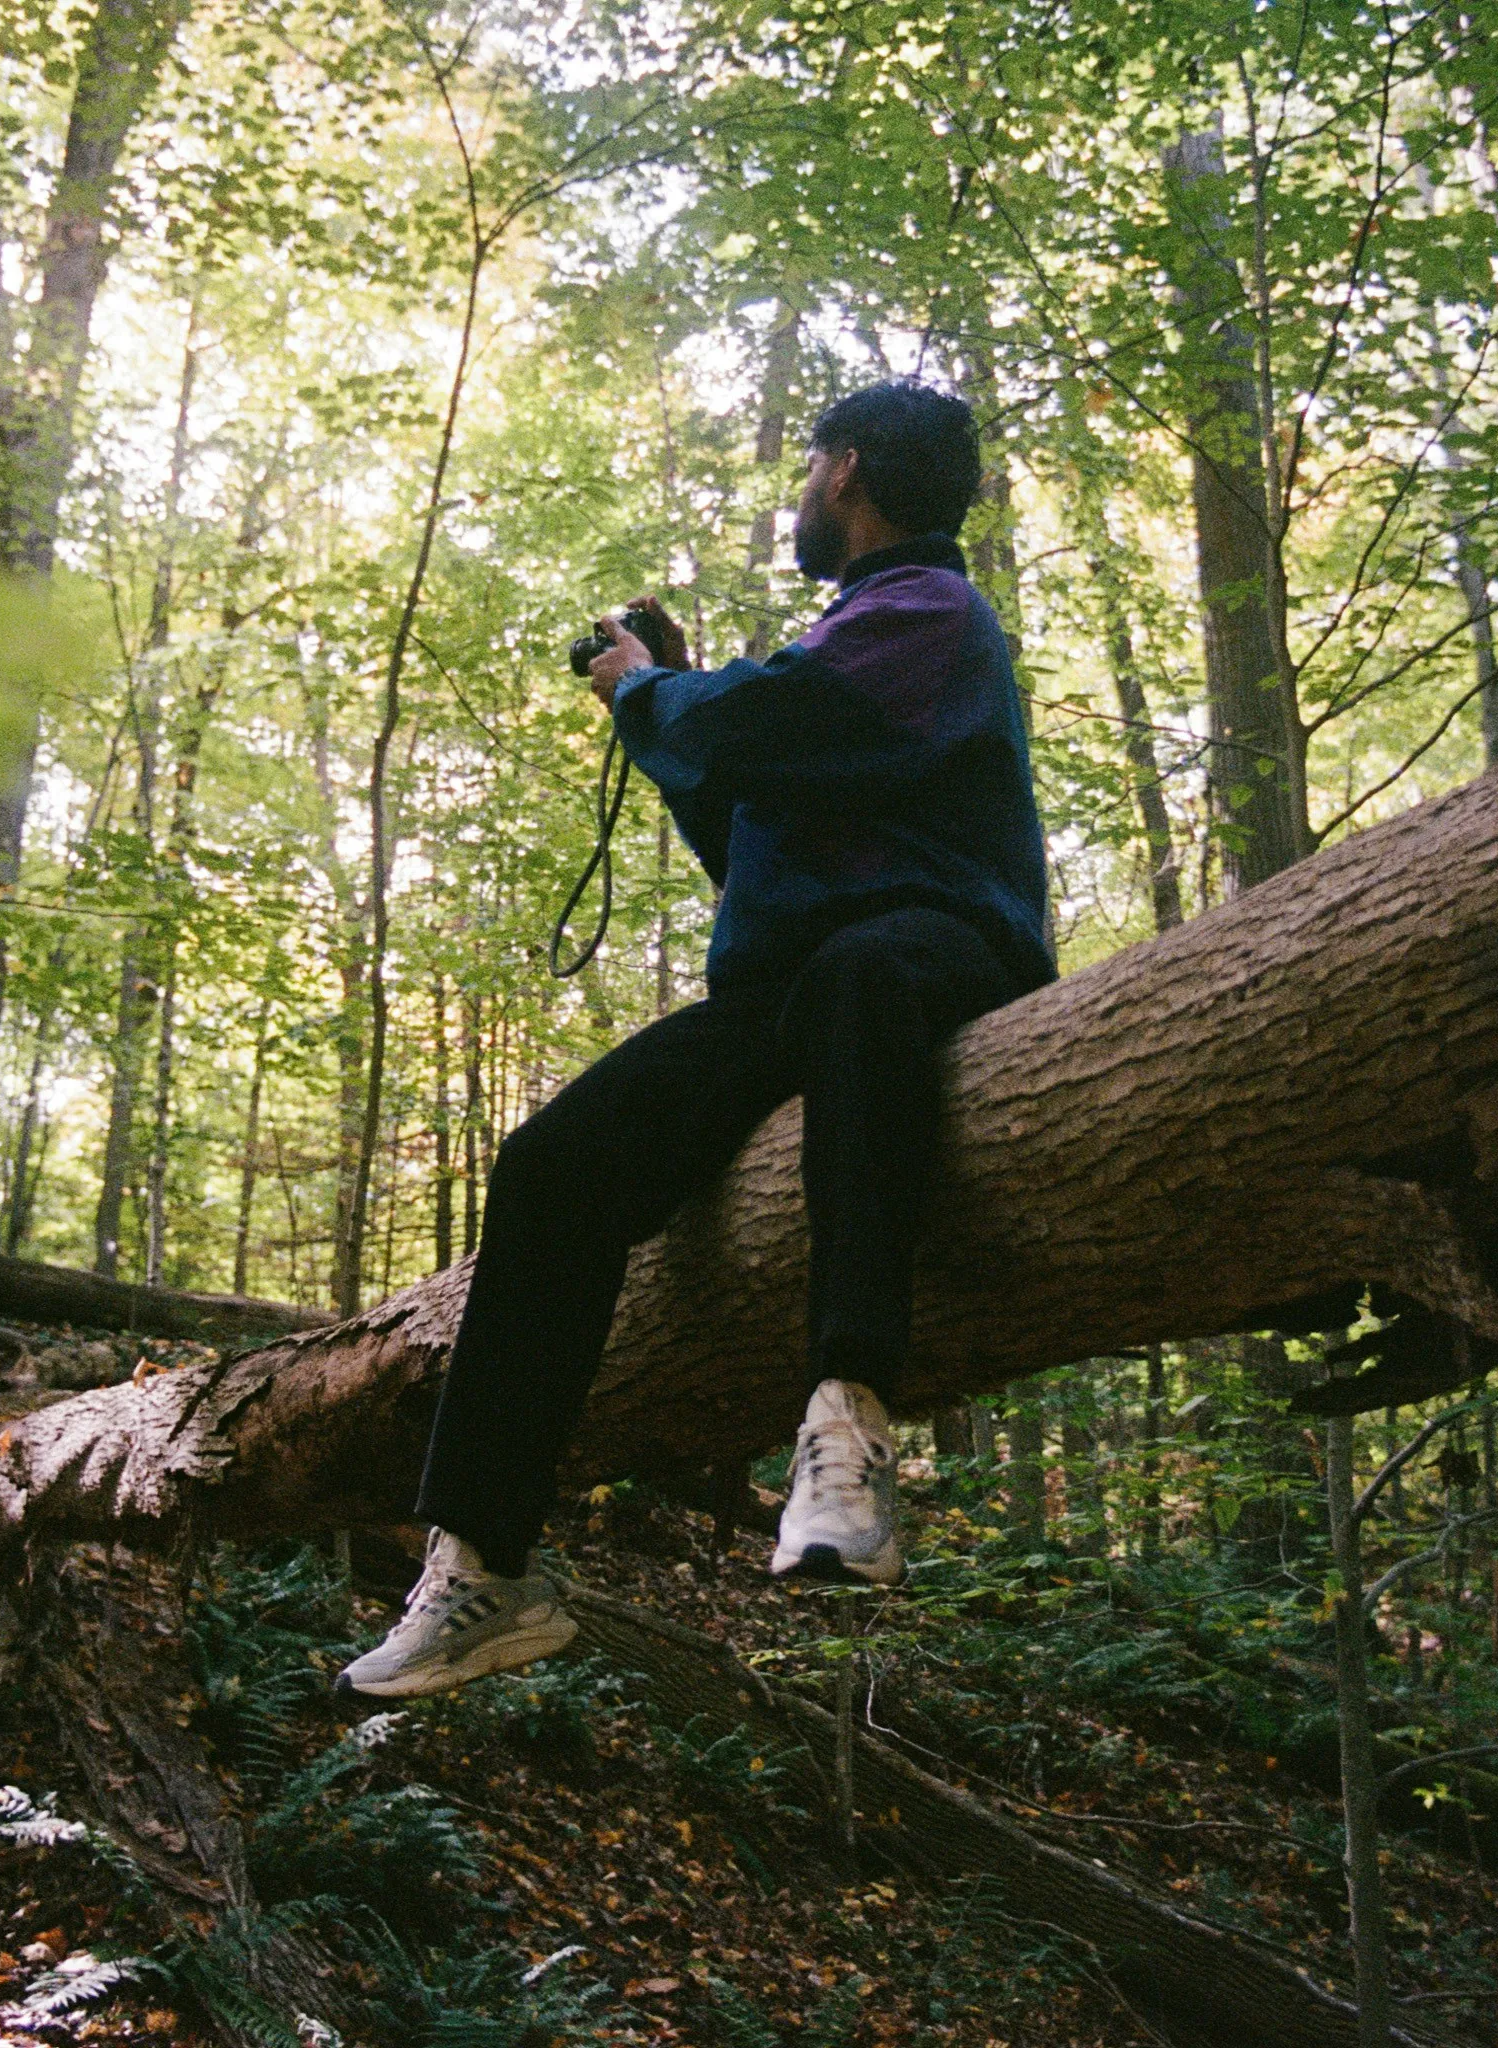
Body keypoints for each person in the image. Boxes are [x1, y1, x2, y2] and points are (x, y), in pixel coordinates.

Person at [337, 380, 1053, 1700]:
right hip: (803, 989)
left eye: (808, 467)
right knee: (555, 1164)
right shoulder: (849, 649)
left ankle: (848, 1426)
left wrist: (655, 693)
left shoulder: (926, 611)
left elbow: (753, 728)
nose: (801, 492)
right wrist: (667, 698)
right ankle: (483, 1567)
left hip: (932, 956)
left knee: (856, 971)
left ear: (845, 471)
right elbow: (753, 826)